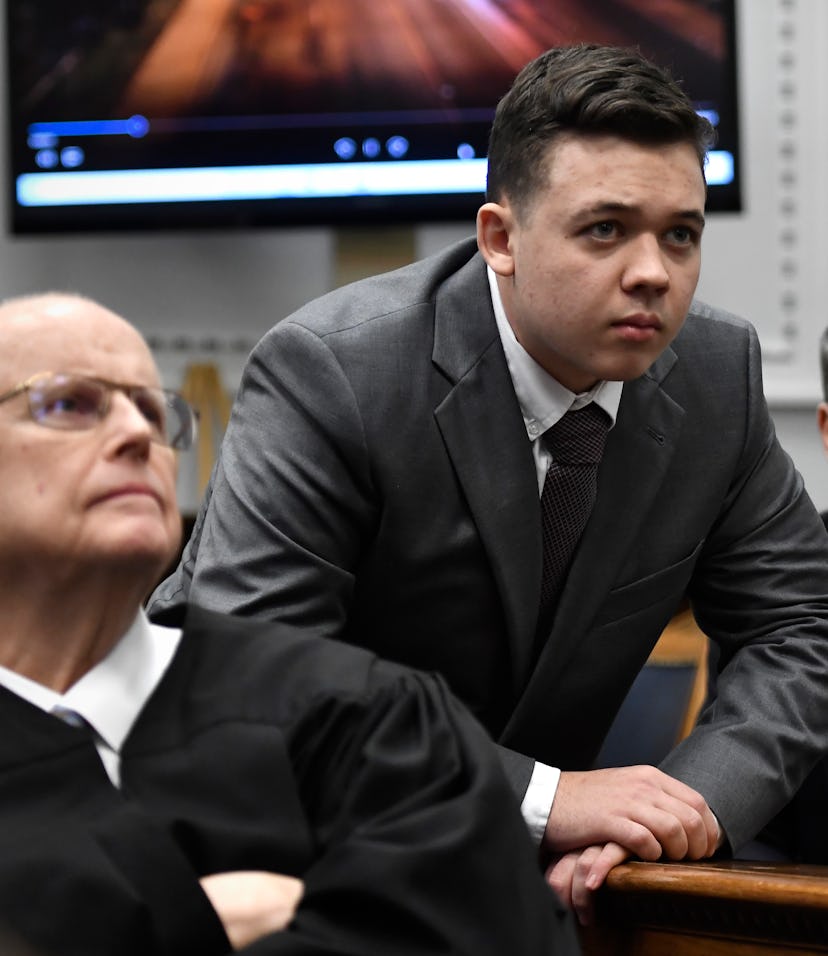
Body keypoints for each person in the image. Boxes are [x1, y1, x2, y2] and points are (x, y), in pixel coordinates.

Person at [150, 43, 828, 919]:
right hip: (277, 863)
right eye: (605, 230)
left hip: (522, 890)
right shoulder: (336, 373)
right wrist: (547, 799)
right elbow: (253, 682)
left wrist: (677, 810)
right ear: (501, 240)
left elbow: (802, 628)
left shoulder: (714, 372)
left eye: (681, 234)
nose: (655, 272)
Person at [0, 292, 579, 956]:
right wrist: (189, 924)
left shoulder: (373, 728)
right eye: (69, 405)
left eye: (152, 411)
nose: (138, 436)